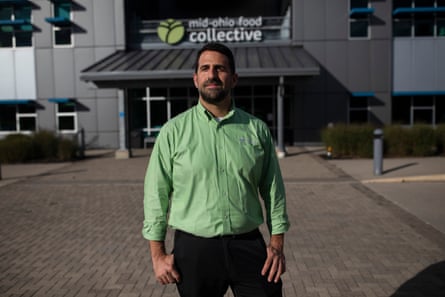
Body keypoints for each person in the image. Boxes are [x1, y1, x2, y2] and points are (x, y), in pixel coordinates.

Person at [142, 42, 290, 297]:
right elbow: (156, 194)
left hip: (249, 245)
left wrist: (276, 243)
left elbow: (273, 189)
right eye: (205, 68)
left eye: (220, 69)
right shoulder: (173, 132)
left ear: (233, 78)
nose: (212, 75)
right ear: (195, 78)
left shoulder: (256, 129)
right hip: (194, 251)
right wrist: (158, 255)